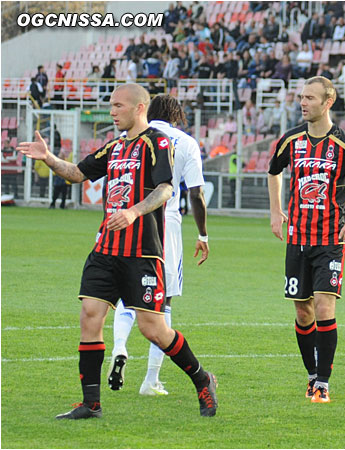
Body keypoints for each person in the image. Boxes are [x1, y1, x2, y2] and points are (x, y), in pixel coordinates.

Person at [17, 83, 218, 419]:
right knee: (90, 316)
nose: (112, 112)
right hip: (106, 249)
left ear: (140, 108)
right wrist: (49, 158)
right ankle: (90, 404)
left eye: (117, 106)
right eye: (111, 106)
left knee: (153, 329)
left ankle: (201, 379)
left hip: (142, 251)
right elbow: (78, 174)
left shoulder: (158, 143)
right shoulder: (113, 148)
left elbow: (167, 188)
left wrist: (134, 212)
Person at [267, 76, 345, 404]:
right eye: (301, 97)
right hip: (297, 238)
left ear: (328, 102)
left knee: (324, 305)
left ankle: (323, 382)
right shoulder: (291, 139)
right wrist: (275, 210)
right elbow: (273, 170)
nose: (303, 103)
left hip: (330, 239)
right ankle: (311, 375)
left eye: (310, 98)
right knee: (302, 311)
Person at [109, 94, 209, 397]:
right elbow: (196, 193)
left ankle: (119, 346)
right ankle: (151, 380)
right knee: (161, 302)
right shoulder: (185, 142)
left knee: (127, 292)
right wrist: (203, 234)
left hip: (127, 218)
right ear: (177, 115)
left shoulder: (135, 136)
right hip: (165, 223)